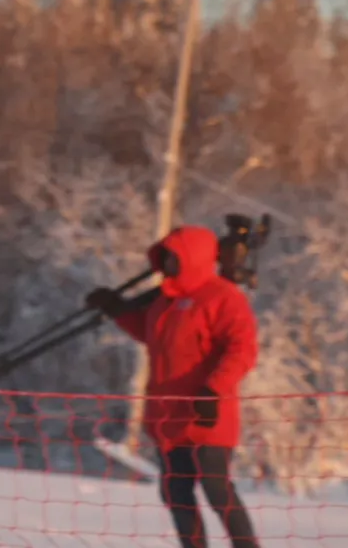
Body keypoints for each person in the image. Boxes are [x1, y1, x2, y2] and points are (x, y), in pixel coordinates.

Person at [87, 225, 260, 548]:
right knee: (176, 493)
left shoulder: (222, 297)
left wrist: (214, 389)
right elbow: (151, 335)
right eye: (164, 258)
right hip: (169, 417)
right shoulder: (164, 302)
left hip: (207, 414)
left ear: (192, 259)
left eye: (173, 258)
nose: (167, 264)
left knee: (216, 488)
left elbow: (243, 349)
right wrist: (117, 309)